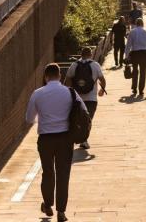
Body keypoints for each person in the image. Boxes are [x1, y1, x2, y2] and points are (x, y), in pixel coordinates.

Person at [25, 63, 87, 222]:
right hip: (65, 138)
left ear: (46, 77)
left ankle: (47, 205)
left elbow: (29, 119)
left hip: (45, 139)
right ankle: (61, 212)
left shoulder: (37, 94)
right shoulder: (69, 92)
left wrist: (44, 117)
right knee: (63, 174)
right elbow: (83, 111)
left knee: (47, 172)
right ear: (59, 75)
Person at [64, 47, 106, 150]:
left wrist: (68, 93)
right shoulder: (95, 65)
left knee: (77, 119)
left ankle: (78, 138)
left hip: (78, 98)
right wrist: (102, 90)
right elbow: (102, 79)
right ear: (90, 54)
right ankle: (84, 140)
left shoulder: (74, 65)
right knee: (88, 120)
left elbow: (67, 81)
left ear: (81, 54)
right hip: (91, 99)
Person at [123, 17, 146, 98]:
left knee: (135, 71)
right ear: (142, 24)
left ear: (136, 24)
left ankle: (134, 88)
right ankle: (141, 90)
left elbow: (128, 45)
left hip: (135, 53)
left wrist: (126, 56)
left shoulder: (132, 32)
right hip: (144, 53)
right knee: (143, 72)